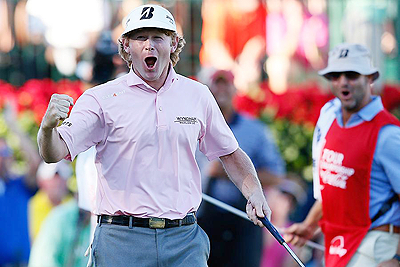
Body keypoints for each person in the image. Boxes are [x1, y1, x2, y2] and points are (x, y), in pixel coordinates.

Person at [37, 4, 271, 267]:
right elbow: (53, 152)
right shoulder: (100, 98)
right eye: (140, 37)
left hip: (184, 239)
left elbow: (230, 153)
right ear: (126, 46)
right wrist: (47, 129)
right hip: (121, 240)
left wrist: (254, 193)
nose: (149, 45)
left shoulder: (198, 95)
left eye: (158, 37)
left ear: (173, 44)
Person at [283, 43, 400, 267]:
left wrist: (396, 258)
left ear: (370, 78)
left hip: (376, 245)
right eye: (335, 76)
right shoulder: (329, 120)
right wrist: (309, 225)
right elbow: (334, 187)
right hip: (339, 244)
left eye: (352, 75)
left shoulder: (388, 134)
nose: (343, 82)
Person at [196, 68, 285, 267]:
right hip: (202, 220)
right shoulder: (191, 126)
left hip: (245, 221)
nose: (221, 89)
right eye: (215, 84)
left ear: (234, 88)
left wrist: (232, 172)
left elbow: (276, 175)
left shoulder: (255, 131)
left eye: (225, 83)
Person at [0, 102, 41, 266]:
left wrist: (13, 125)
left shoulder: (18, 186)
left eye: (6, 152)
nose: (4, 157)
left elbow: (35, 162)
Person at [29, 160, 73, 240]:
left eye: (62, 177)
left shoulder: (72, 206)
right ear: (41, 182)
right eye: (53, 178)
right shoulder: (32, 205)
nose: (58, 182)